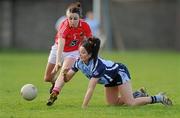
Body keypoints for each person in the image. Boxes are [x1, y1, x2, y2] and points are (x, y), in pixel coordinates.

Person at [46, 37, 173, 108]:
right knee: (113, 104)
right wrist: (64, 73)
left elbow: (91, 89)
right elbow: (67, 79)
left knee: (131, 103)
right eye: (79, 52)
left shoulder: (97, 66)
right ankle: (138, 94)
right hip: (109, 79)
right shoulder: (79, 62)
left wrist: (83, 107)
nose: (80, 55)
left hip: (119, 72)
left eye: (83, 53)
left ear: (90, 54)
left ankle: (159, 98)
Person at [43, 2, 92, 94]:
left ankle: (56, 90)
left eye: (75, 18)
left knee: (63, 71)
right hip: (58, 50)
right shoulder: (64, 26)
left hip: (73, 52)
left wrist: (91, 53)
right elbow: (60, 45)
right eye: (70, 18)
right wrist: (58, 61)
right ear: (67, 17)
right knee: (47, 78)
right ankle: (54, 82)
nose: (72, 21)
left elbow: (90, 40)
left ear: (80, 18)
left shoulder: (85, 25)